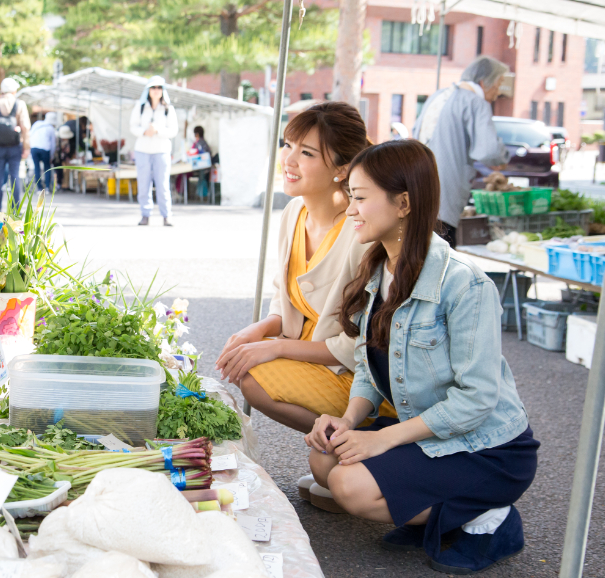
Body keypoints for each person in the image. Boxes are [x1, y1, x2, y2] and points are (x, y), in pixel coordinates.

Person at [306, 139, 538, 574]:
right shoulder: (379, 269)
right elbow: (367, 365)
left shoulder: (465, 284)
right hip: (434, 433)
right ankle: (435, 510)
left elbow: (476, 400)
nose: (349, 209)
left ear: (404, 203)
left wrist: (382, 438)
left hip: (488, 447)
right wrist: (351, 421)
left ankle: (490, 516)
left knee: (349, 485)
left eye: (359, 198)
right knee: (325, 458)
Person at [216, 102, 395, 509]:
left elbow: (363, 347)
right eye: (287, 145)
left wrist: (275, 346)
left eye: (307, 153)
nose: (289, 160)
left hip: (361, 377)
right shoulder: (294, 212)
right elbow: (285, 297)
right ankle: (335, 450)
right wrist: (260, 330)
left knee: (254, 372)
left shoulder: (360, 230)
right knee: (246, 360)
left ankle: (362, 434)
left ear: (342, 169)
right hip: (319, 361)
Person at [413, 55, 510, 247]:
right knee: (442, 256)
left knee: (419, 251)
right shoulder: (475, 102)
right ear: (483, 82)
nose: (499, 92)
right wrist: (503, 157)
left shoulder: (439, 95)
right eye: (498, 84)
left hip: (418, 185)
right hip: (445, 195)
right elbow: (488, 151)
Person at [130, 76, 179, 227]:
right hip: (143, 150)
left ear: (163, 90)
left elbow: (173, 130)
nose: (156, 91)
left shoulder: (168, 108)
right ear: (148, 90)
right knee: (143, 184)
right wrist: (145, 132)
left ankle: (166, 216)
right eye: (153, 88)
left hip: (161, 151)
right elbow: (133, 127)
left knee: (163, 184)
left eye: (159, 88)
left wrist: (158, 130)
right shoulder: (140, 106)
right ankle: (145, 214)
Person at [0, 77, 32, 211]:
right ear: (14, 90)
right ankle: (15, 209)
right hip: (15, 146)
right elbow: (25, 127)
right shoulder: (20, 104)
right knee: (15, 176)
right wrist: (26, 147)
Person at [29, 111, 58, 192]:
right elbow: (53, 144)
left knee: (37, 168)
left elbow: (30, 136)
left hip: (34, 148)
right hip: (45, 149)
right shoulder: (51, 128)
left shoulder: (37, 124)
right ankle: (47, 187)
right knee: (47, 168)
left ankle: (39, 188)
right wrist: (51, 156)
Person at [189, 126, 211, 198]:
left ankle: (202, 194)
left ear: (197, 134)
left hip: (203, 167)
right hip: (203, 167)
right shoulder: (202, 142)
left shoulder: (200, 143)